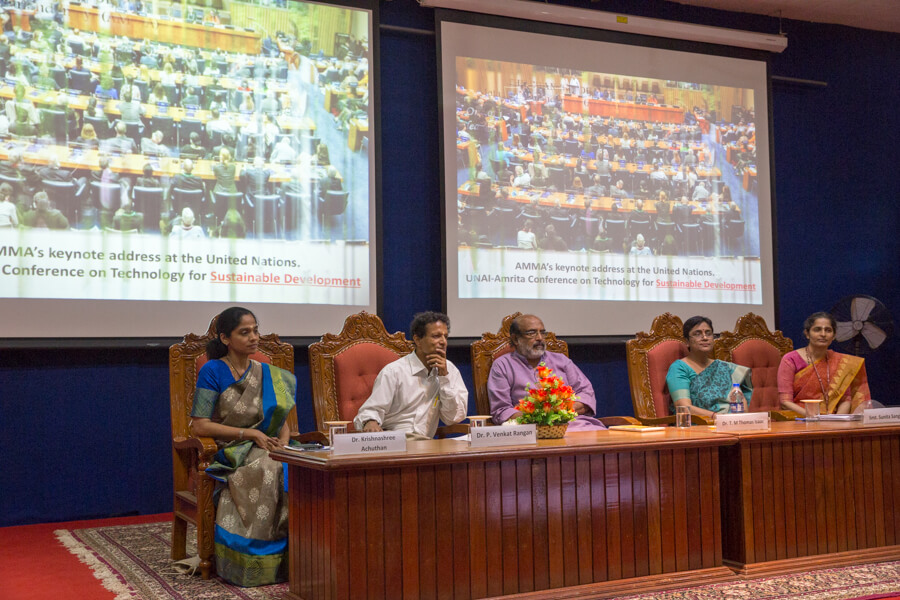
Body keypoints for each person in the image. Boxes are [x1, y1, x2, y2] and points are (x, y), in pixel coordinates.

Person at [190, 307, 296, 586]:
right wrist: (248, 433)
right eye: (244, 332)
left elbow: (281, 419)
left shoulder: (267, 372)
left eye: (255, 331)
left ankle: (301, 557)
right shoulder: (213, 370)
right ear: (225, 338)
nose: (254, 337)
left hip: (270, 444)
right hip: (233, 449)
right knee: (270, 468)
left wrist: (283, 444)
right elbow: (199, 425)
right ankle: (253, 558)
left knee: (297, 465)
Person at [353, 311, 468, 438]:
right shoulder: (394, 371)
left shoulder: (449, 370)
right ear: (417, 340)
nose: (443, 342)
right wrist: (370, 422)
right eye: (436, 336)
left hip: (426, 444)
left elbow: (452, 418)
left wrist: (444, 378)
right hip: (395, 440)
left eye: (445, 336)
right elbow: (371, 411)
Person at [487, 314, 605, 430]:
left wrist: (561, 412)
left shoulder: (561, 360)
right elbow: (501, 410)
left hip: (574, 424)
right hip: (531, 429)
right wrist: (539, 417)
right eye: (531, 333)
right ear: (515, 339)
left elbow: (586, 393)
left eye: (542, 332)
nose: (539, 338)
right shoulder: (502, 365)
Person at [778, 312, 870, 415]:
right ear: (807, 334)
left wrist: (835, 422)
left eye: (828, 330)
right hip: (800, 418)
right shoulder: (790, 359)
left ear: (834, 335)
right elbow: (785, 402)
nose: (823, 334)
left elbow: (845, 400)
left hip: (832, 422)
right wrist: (814, 418)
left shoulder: (842, 362)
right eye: (817, 329)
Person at [665, 316, 752, 417]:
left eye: (708, 333)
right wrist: (716, 417)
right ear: (687, 341)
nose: (705, 337)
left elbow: (740, 402)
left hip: (732, 423)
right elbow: (684, 408)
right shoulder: (679, 368)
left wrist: (741, 420)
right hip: (700, 426)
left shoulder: (725, 368)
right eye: (697, 334)